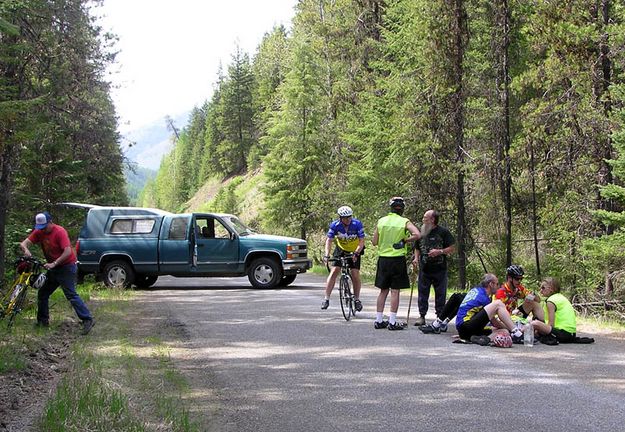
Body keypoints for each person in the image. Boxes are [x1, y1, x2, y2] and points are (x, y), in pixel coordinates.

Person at [20, 212, 95, 335]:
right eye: (40, 227)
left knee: (70, 294)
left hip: (66, 267)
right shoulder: (39, 231)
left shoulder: (60, 232)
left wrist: (54, 263)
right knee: (43, 293)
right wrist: (26, 249)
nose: (42, 230)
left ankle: (87, 319)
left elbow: (67, 252)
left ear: (50, 222)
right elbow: (23, 243)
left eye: (44, 227)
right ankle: (42, 322)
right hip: (54, 268)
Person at [372, 197, 420, 330]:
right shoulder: (404, 221)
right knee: (395, 291)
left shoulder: (381, 221)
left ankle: (379, 320)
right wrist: (405, 240)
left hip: (383, 259)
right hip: (397, 259)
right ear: (402, 209)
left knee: (383, 291)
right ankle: (392, 322)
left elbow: (374, 241)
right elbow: (417, 234)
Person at [413, 209, 456, 326]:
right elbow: (417, 247)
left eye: (425, 217)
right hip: (424, 268)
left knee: (440, 294)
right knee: (422, 293)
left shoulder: (443, 232)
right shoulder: (421, 232)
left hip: (440, 269)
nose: (423, 219)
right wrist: (416, 258)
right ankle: (422, 316)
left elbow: (452, 247)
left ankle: (439, 318)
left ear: (432, 220)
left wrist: (440, 251)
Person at [455, 273, 524, 345]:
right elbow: (495, 323)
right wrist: (511, 328)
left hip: (465, 330)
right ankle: (516, 332)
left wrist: (506, 329)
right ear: (491, 284)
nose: (498, 287)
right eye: (497, 284)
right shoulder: (484, 298)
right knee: (498, 304)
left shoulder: (476, 290)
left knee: (504, 332)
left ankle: (483, 339)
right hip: (467, 326)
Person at [321, 206, 366, 311]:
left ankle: (357, 299)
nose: (348, 219)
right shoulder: (335, 225)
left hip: (356, 249)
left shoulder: (357, 224)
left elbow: (362, 241)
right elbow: (329, 240)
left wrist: (356, 253)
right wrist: (326, 255)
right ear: (340, 218)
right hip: (341, 249)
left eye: (349, 217)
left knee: (355, 274)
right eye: (345, 218)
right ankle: (326, 299)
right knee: (334, 271)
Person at [532, 277, 581, 344]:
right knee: (537, 324)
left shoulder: (551, 301)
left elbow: (551, 325)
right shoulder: (559, 297)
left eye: (543, 288)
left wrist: (540, 328)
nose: (540, 291)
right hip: (571, 334)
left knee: (535, 323)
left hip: (563, 333)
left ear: (551, 289)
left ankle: (518, 333)